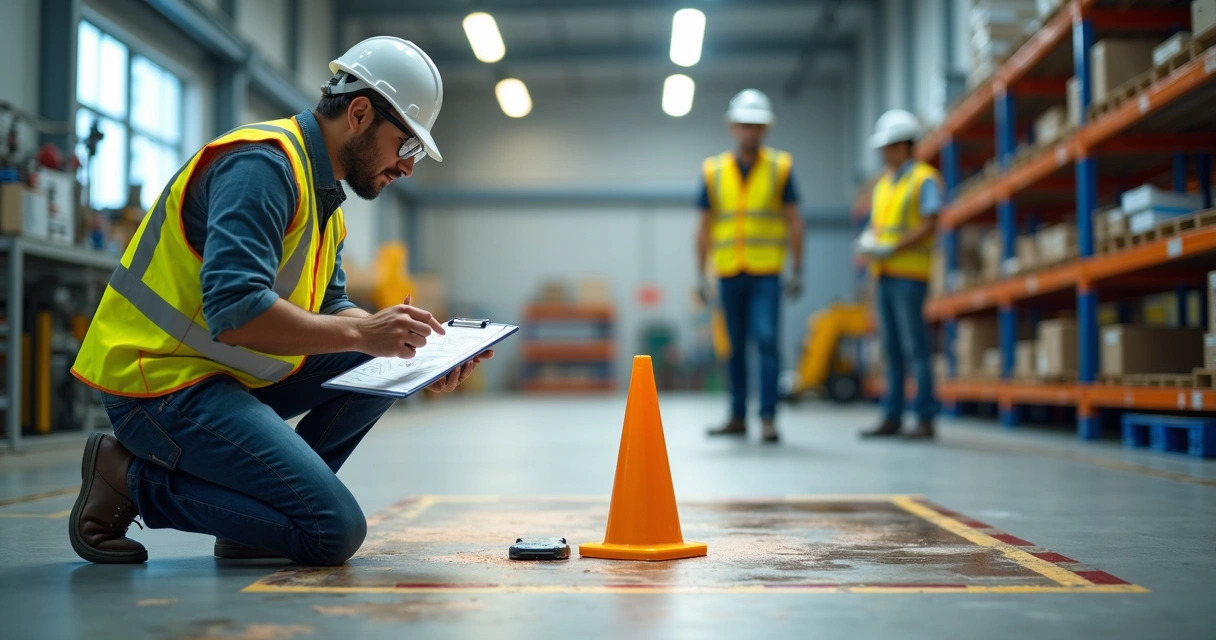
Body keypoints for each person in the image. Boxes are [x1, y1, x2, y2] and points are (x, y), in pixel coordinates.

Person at [67, 36, 493, 566]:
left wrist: (417, 352)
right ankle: (127, 477)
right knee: (331, 533)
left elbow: (333, 306)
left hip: (219, 376)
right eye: (406, 146)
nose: (407, 167)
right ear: (359, 113)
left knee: (382, 357)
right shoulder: (261, 167)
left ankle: (258, 523)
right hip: (157, 384)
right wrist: (366, 332)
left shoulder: (325, 200)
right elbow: (235, 309)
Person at [696, 89, 804, 444]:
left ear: (766, 129)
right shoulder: (714, 171)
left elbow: (794, 221)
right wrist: (701, 274)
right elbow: (704, 226)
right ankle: (738, 415)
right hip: (729, 272)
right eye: (744, 125)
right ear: (732, 127)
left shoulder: (780, 168)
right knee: (735, 347)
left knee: (767, 341)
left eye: (756, 126)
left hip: (766, 273)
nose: (749, 132)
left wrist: (798, 268)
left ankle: (769, 417)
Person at [858, 109, 942, 440]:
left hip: (910, 275)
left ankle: (924, 417)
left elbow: (931, 222)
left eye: (889, 147)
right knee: (891, 349)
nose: (883, 153)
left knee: (914, 348)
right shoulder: (883, 185)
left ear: (906, 146)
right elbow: (878, 229)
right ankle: (892, 415)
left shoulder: (923, 179)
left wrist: (893, 247)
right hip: (885, 275)